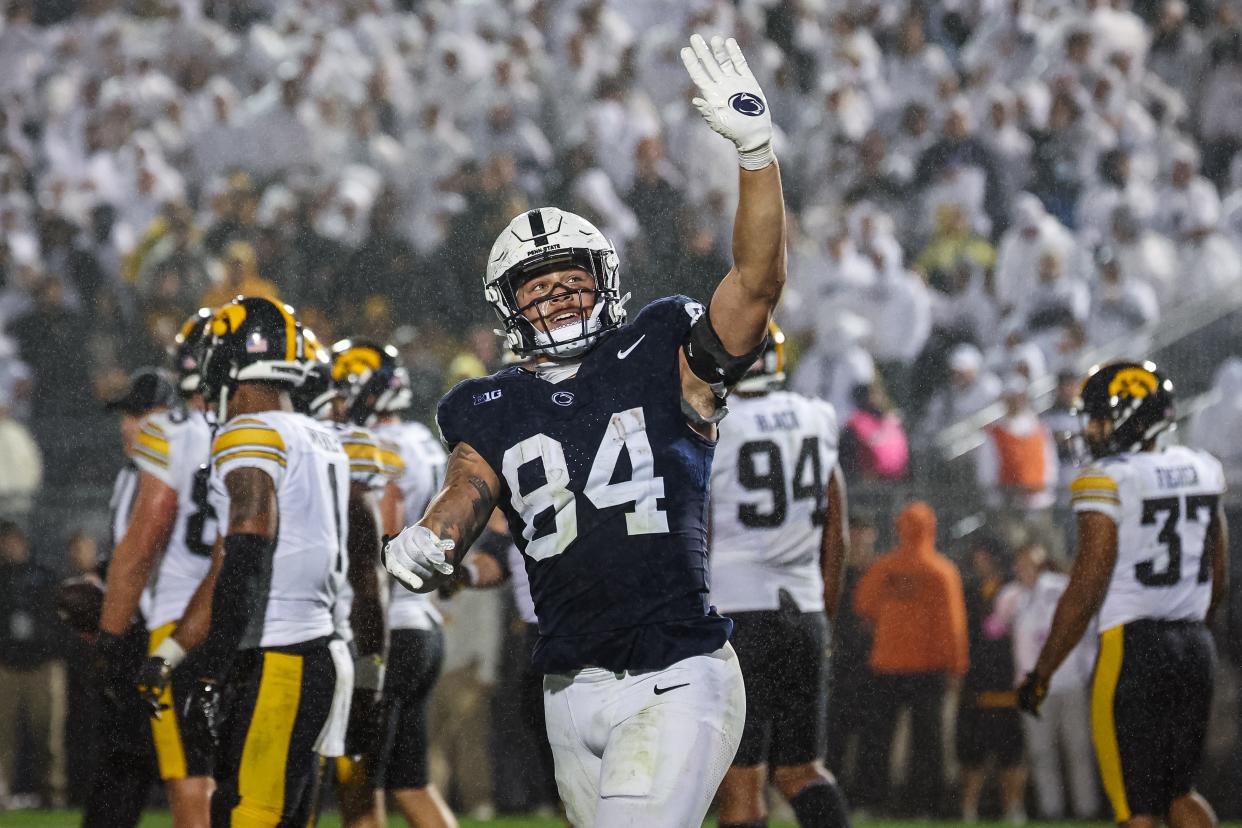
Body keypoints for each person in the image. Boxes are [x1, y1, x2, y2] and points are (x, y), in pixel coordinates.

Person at [382, 33, 785, 827]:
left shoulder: (662, 347)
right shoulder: (486, 405)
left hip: (675, 669)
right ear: (509, 306)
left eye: (574, 280)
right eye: (540, 288)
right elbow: (467, 489)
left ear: (607, 283)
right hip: (567, 686)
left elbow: (758, 283)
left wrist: (755, 156)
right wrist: (428, 539)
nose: (560, 298)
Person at [149, 296, 355, 826]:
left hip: (279, 654)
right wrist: (175, 653)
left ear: (228, 359)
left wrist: (214, 670)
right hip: (320, 647)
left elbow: (247, 546)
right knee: (276, 813)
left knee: (247, 815)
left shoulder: (249, 431)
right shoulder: (321, 436)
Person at [1017, 361, 1227, 828]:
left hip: (1134, 649)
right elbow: (1220, 573)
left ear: (1130, 418)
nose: (1092, 429)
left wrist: (1044, 671)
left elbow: (1087, 587)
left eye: (1099, 418)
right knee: (1181, 795)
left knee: (1136, 810)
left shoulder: (1108, 478)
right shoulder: (1202, 468)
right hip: (1195, 646)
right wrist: (1193, 630)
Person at [708, 323, 851, 828]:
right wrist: (824, 614)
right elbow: (839, 531)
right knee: (802, 770)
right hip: (805, 610)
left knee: (742, 785)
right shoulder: (818, 416)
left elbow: (697, 531)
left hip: (737, 616)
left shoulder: (713, 426)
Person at [95, 310, 216, 828]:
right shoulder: (276, 432)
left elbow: (145, 541)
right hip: (248, 619)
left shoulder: (171, 432)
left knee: (188, 781)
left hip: (177, 622)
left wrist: (109, 637)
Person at [329, 337, 456, 828]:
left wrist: (368, 645)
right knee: (410, 782)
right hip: (422, 624)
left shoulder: (378, 448)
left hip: (389, 628)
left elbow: (382, 541)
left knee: (359, 786)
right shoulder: (421, 440)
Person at [83, 367, 178, 828]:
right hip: (137, 630)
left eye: (141, 414)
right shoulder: (130, 473)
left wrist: (113, 632)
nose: (128, 425)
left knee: (153, 769)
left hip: (161, 635)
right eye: (126, 415)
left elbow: (149, 554)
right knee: (123, 765)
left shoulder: (174, 467)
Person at [852, 501, 968, 817]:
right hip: (929, 667)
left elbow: (863, 604)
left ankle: (871, 800)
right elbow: (954, 626)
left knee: (878, 738)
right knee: (927, 742)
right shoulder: (942, 571)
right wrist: (958, 666)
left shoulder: (885, 567)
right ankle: (924, 805)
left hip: (887, 665)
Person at [989, 543, 1099, 819]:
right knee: (1040, 752)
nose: (1024, 569)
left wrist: (1084, 669)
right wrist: (1003, 610)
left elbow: (1087, 627)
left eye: (1029, 563)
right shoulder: (1012, 595)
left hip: (1068, 680)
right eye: (1020, 563)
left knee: (1078, 749)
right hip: (1032, 685)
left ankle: (1086, 810)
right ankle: (1052, 811)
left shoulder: (1061, 588)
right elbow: (993, 630)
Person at [956, 535, 1026, 825]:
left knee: (1011, 753)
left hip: (1008, 680)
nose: (978, 560)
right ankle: (968, 810)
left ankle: (1014, 809)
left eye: (983, 554)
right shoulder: (970, 590)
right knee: (973, 753)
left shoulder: (1015, 590)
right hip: (976, 681)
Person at [0, 521, 64, 809]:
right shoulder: (2, 578)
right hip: (6, 666)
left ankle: (53, 794)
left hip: (43, 665)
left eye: (12, 540)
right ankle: (2, 792)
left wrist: (51, 647)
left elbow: (60, 619)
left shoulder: (45, 576)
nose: (9, 546)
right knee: (3, 737)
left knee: (48, 736)